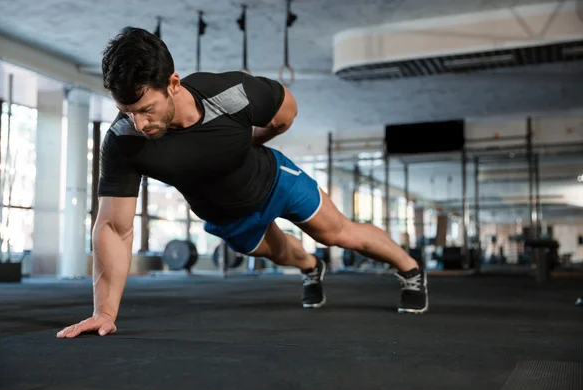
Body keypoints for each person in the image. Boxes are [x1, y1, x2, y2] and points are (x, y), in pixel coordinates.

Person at [57, 27, 428, 339]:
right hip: (229, 218)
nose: (139, 123)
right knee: (287, 255)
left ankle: (410, 270)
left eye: (146, 110)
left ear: (172, 84)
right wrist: (105, 312)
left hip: (275, 180)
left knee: (338, 234)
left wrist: (254, 141)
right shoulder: (124, 141)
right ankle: (312, 268)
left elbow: (287, 113)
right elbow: (114, 227)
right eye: (128, 112)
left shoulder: (230, 94)